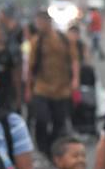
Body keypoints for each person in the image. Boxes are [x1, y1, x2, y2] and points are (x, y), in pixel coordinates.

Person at [27, 9, 78, 161]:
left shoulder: (63, 39)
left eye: (41, 22)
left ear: (48, 22)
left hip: (62, 89)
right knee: (41, 120)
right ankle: (42, 148)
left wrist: (75, 79)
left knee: (59, 122)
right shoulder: (36, 41)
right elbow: (30, 67)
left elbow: (74, 60)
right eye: (37, 22)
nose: (39, 25)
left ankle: (51, 149)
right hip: (41, 88)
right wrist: (28, 89)